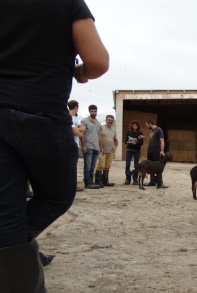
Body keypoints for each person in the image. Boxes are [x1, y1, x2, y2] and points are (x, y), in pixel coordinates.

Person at [0, 0, 109, 290]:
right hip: (40, 110)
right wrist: (81, 72)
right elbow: (97, 62)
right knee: (56, 197)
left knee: (6, 212)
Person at [80, 105, 104, 189]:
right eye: (92, 111)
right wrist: (83, 146)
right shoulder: (84, 121)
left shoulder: (98, 122)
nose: (94, 113)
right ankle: (87, 183)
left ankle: (91, 181)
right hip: (88, 145)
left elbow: (99, 136)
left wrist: (101, 147)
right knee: (88, 165)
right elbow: (82, 134)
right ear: (89, 111)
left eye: (95, 111)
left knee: (93, 166)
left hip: (96, 147)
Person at [68, 100, 87, 191]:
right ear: (76, 107)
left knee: (74, 166)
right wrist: (78, 131)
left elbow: (83, 129)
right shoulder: (69, 117)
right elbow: (78, 133)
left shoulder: (75, 118)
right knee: (70, 167)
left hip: (75, 145)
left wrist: (77, 130)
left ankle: (73, 185)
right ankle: (70, 186)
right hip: (69, 145)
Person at [143, 119, 168, 188]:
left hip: (156, 151)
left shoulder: (159, 130)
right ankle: (152, 182)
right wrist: (145, 138)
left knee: (158, 167)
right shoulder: (151, 131)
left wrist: (162, 150)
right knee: (150, 167)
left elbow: (162, 140)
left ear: (150, 123)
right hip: (150, 151)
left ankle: (160, 183)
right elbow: (151, 140)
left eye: (147, 125)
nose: (146, 126)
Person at [95, 115, 118, 187]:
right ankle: (97, 181)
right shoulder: (101, 128)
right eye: (109, 120)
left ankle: (105, 181)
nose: (110, 121)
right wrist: (101, 148)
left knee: (107, 166)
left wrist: (115, 147)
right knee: (101, 165)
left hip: (110, 151)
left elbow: (116, 140)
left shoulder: (114, 130)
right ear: (106, 120)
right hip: (102, 151)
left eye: (111, 120)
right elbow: (99, 138)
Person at [124, 120, 144, 185]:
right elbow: (125, 141)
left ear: (138, 127)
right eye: (134, 126)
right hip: (129, 149)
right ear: (132, 126)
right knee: (127, 164)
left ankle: (135, 178)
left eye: (136, 126)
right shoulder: (129, 132)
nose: (135, 127)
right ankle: (128, 178)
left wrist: (136, 142)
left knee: (136, 165)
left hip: (136, 150)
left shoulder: (140, 133)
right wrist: (129, 141)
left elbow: (141, 143)